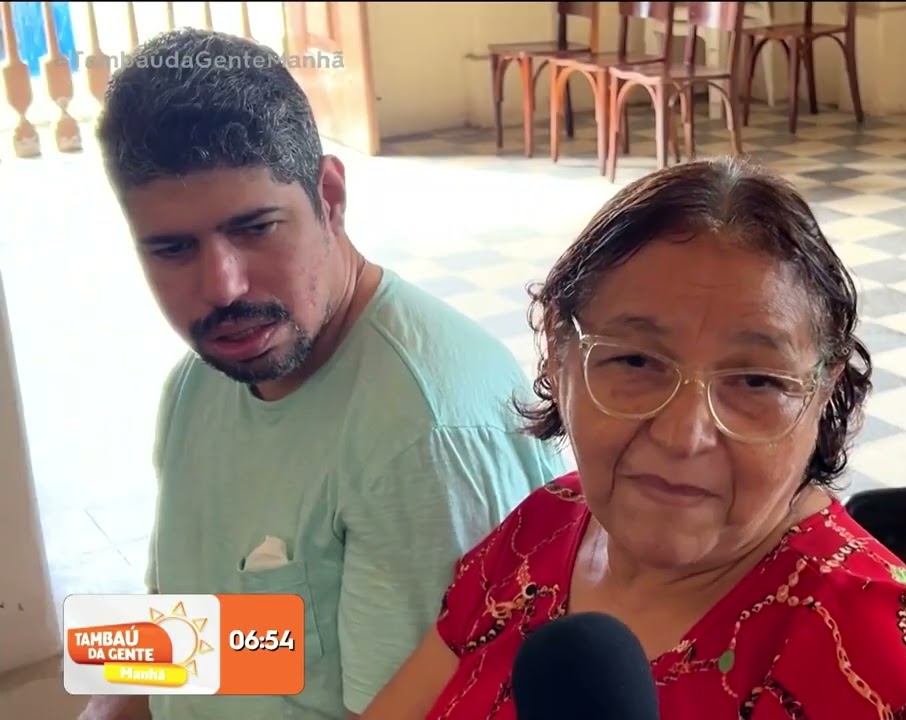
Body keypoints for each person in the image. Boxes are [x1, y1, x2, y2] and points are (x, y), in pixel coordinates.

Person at [360, 157, 906, 719]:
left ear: (821, 395)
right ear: (560, 356)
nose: (684, 436)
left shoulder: (890, 670)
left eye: (757, 381)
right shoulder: (542, 532)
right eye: (636, 362)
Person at [79, 29, 565, 720]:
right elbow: (194, 635)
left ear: (329, 196)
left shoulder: (422, 438)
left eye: (255, 228)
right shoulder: (203, 380)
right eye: (171, 248)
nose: (222, 287)